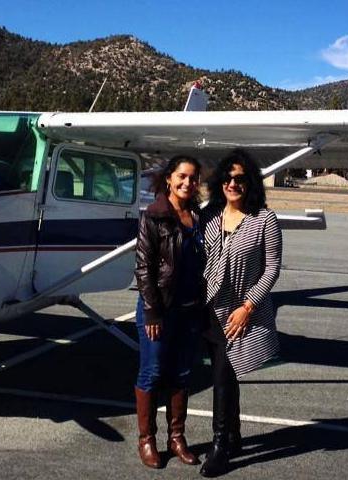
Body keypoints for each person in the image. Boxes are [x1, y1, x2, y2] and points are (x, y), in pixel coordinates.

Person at [199, 149, 282, 477]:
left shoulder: (264, 219)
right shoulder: (210, 215)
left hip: (239, 313)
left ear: (250, 183)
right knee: (224, 374)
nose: (233, 184)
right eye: (229, 178)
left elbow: (272, 267)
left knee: (223, 376)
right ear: (221, 181)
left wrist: (248, 306)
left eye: (241, 179)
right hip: (210, 309)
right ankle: (234, 436)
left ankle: (220, 445)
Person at [133, 155, 204, 469]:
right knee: (152, 372)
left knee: (183, 374)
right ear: (169, 179)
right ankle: (146, 440)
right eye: (182, 176)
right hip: (159, 308)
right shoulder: (154, 215)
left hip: (189, 310)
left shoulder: (198, 217)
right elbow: (143, 267)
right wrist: (152, 312)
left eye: (193, 178)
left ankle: (177, 438)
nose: (187, 183)